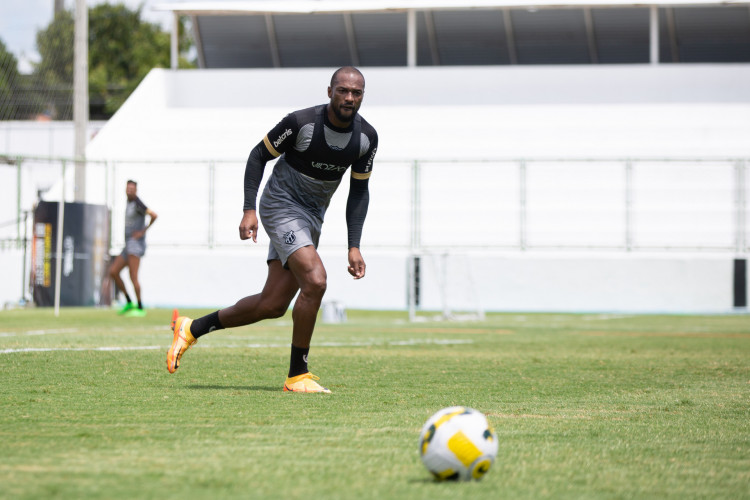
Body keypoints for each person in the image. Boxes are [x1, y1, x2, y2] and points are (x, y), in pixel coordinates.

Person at [167, 66, 378, 393]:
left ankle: (192, 328)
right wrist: (248, 209)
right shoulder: (301, 123)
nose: (349, 97)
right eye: (343, 90)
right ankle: (298, 375)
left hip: (312, 217)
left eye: (356, 92)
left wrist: (354, 244)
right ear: (329, 92)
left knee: (272, 305)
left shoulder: (366, 138)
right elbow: (257, 156)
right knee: (316, 280)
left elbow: (359, 191)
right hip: (280, 206)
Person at [109, 180, 158, 317]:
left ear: (136, 191)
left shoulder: (138, 203)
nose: (129, 191)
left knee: (133, 276)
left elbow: (154, 215)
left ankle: (140, 307)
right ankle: (129, 302)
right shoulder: (128, 202)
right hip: (127, 246)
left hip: (135, 246)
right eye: (128, 188)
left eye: (132, 189)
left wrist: (143, 232)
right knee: (113, 271)